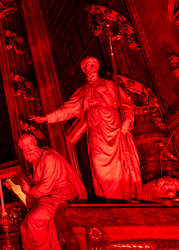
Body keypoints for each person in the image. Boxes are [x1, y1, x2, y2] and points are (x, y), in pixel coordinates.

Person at [31, 56, 142, 200]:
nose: (92, 66)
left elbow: (126, 103)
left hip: (112, 123)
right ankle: (110, 198)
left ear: (98, 66)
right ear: (84, 70)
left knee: (120, 161)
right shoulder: (82, 91)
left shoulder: (108, 84)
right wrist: (47, 118)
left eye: (94, 64)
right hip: (94, 127)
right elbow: (67, 110)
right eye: (88, 65)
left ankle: (123, 196)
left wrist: (127, 120)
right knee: (97, 161)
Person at [15, 135, 86, 250]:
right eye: (24, 148)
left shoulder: (49, 158)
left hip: (60, 196)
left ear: (35, 143)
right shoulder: (37, 160)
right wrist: (17, 186)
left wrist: (30, 190)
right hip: (48, 198)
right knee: (24, 225)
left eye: (29, 146)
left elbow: (46, 187)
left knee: (34, 220)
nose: (27, 150)